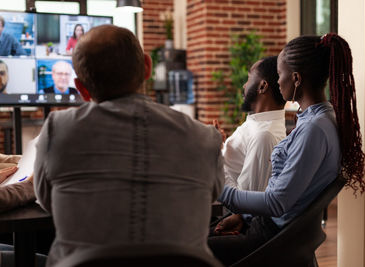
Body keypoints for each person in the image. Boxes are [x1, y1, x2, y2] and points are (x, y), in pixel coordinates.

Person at [34, 24, 224, 266]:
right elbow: (212, 195)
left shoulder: (56, 129)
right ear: (147, 66)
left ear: (81, 88)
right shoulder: (206, 138)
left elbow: (48, 202)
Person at [208, 33, 365, 265]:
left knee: (185, 249)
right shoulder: (320, 118)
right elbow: (288, 195)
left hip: (271, 240)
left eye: (280, 75)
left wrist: (218, 185)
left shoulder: (315, 129)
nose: (278, 81)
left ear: (296, 79)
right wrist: (244, 215)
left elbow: (276, 202)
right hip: (270, 229)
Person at [215, 56, 286, 192]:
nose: (244, 85)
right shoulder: (257, 122)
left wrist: (215, 153)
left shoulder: (264, 136)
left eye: (249, 78)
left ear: (262, 86)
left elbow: (246, 199)